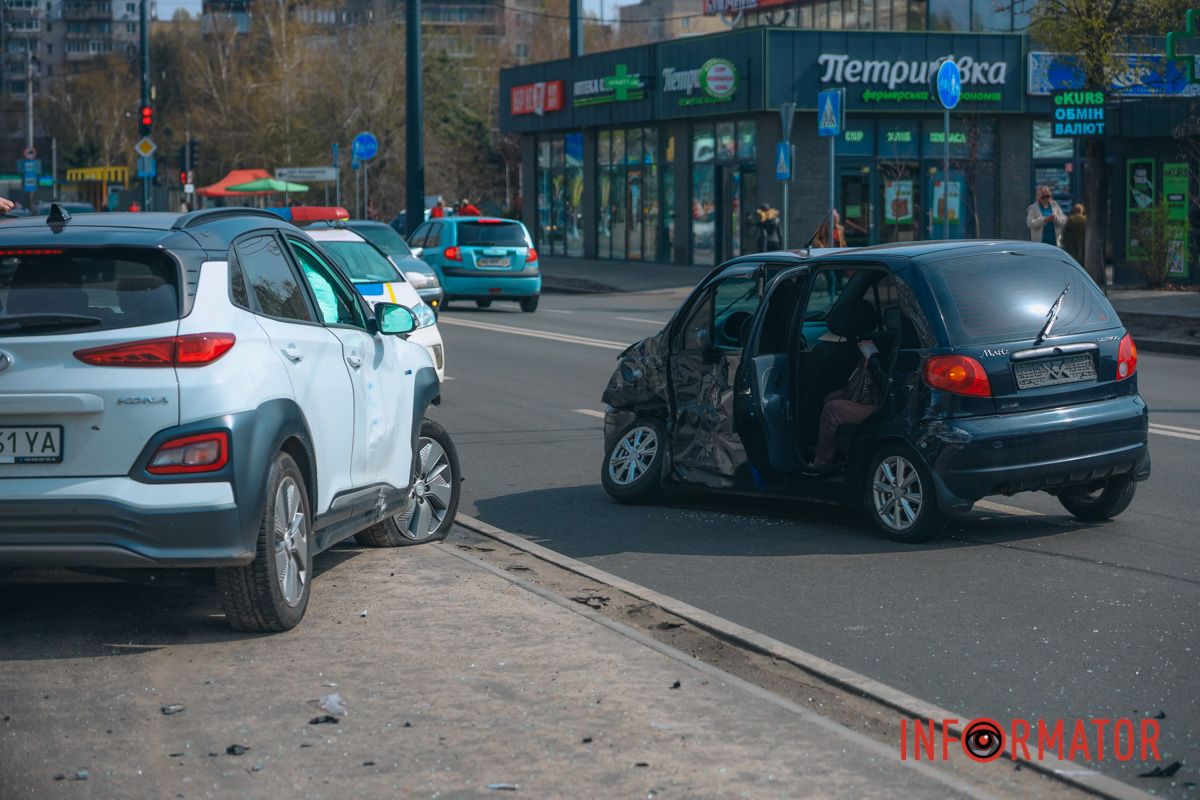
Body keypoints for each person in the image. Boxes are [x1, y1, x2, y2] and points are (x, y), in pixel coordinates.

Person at [812, 302, 888, 466]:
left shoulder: (875, 348)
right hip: (869, 396)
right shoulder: (867, 343)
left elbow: (884, 383)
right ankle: (837, 456)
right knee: (830, 398)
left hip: (884, 405)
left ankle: (821, 462)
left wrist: (873, 359)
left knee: (832, 410)